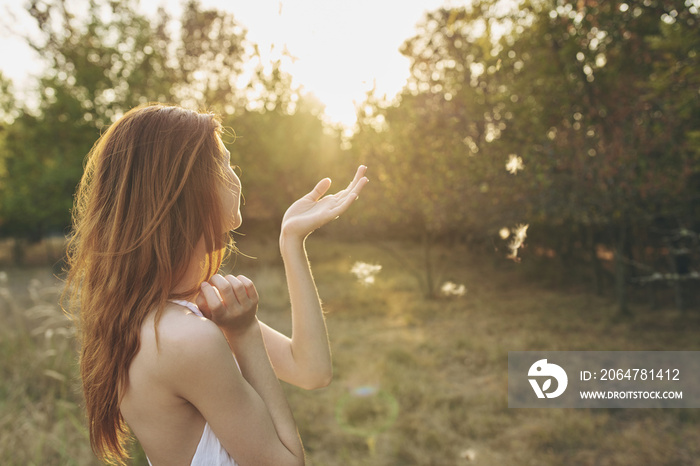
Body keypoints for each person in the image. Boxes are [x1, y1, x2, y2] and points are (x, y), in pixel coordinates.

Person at [63, 103, 368, 465]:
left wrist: (291, 241)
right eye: (225, 165)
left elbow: (311, 370)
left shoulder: (179, 309)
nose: (237, 178)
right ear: (186, 187)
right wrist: (245, 333)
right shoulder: (188, 338)